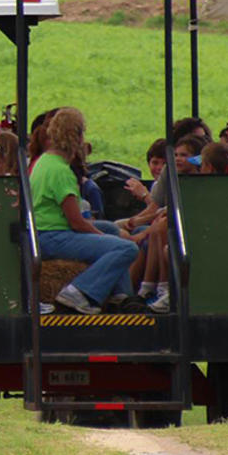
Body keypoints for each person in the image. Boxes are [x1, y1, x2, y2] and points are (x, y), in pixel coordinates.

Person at [29, 107, 139, 314]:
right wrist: (107, 241)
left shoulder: (44, 161)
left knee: (110, 229)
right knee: (125, 248)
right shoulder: (61, 172)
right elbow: (76, 223)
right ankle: (80, 292)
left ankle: (121, 296)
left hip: (43, 231)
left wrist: (105, 234)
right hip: (53, 236)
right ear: (77, 136)